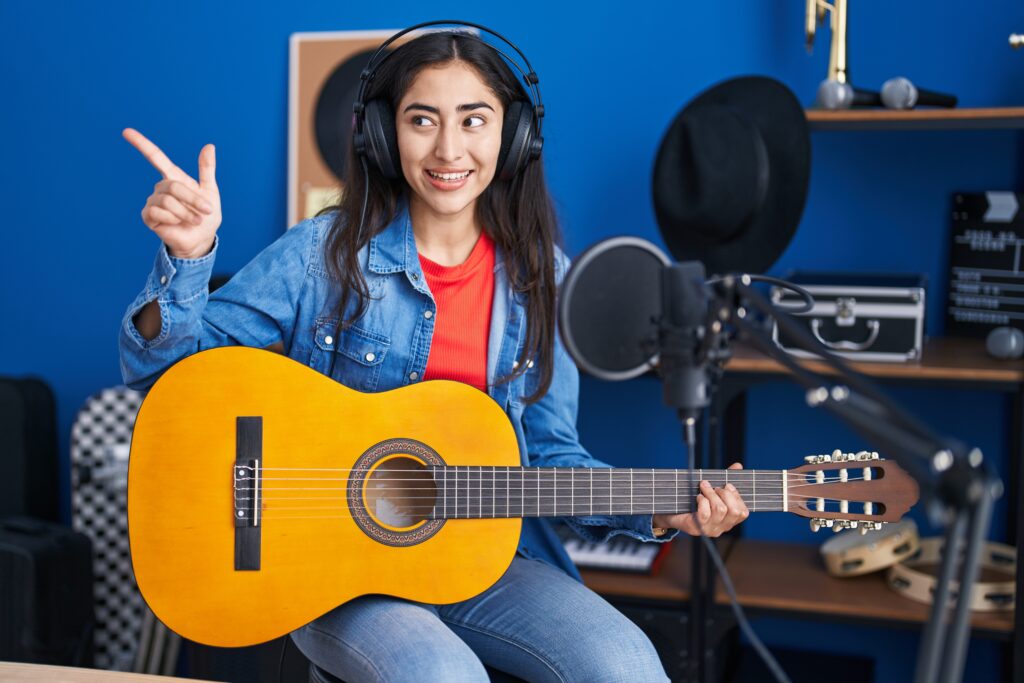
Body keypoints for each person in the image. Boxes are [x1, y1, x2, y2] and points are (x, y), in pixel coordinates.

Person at [119, 24, 749, 683]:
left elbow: (551, 455)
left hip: (489, 564)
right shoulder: (325, 252)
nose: (449, 148)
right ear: (387, 134)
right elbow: (163, 375)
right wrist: (188, 260)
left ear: (513, 134)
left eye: (473, 120)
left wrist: (662, 507)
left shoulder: (546, 280)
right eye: (423, 119)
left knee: (627, 663)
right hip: (334, 572)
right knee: (440, 673)